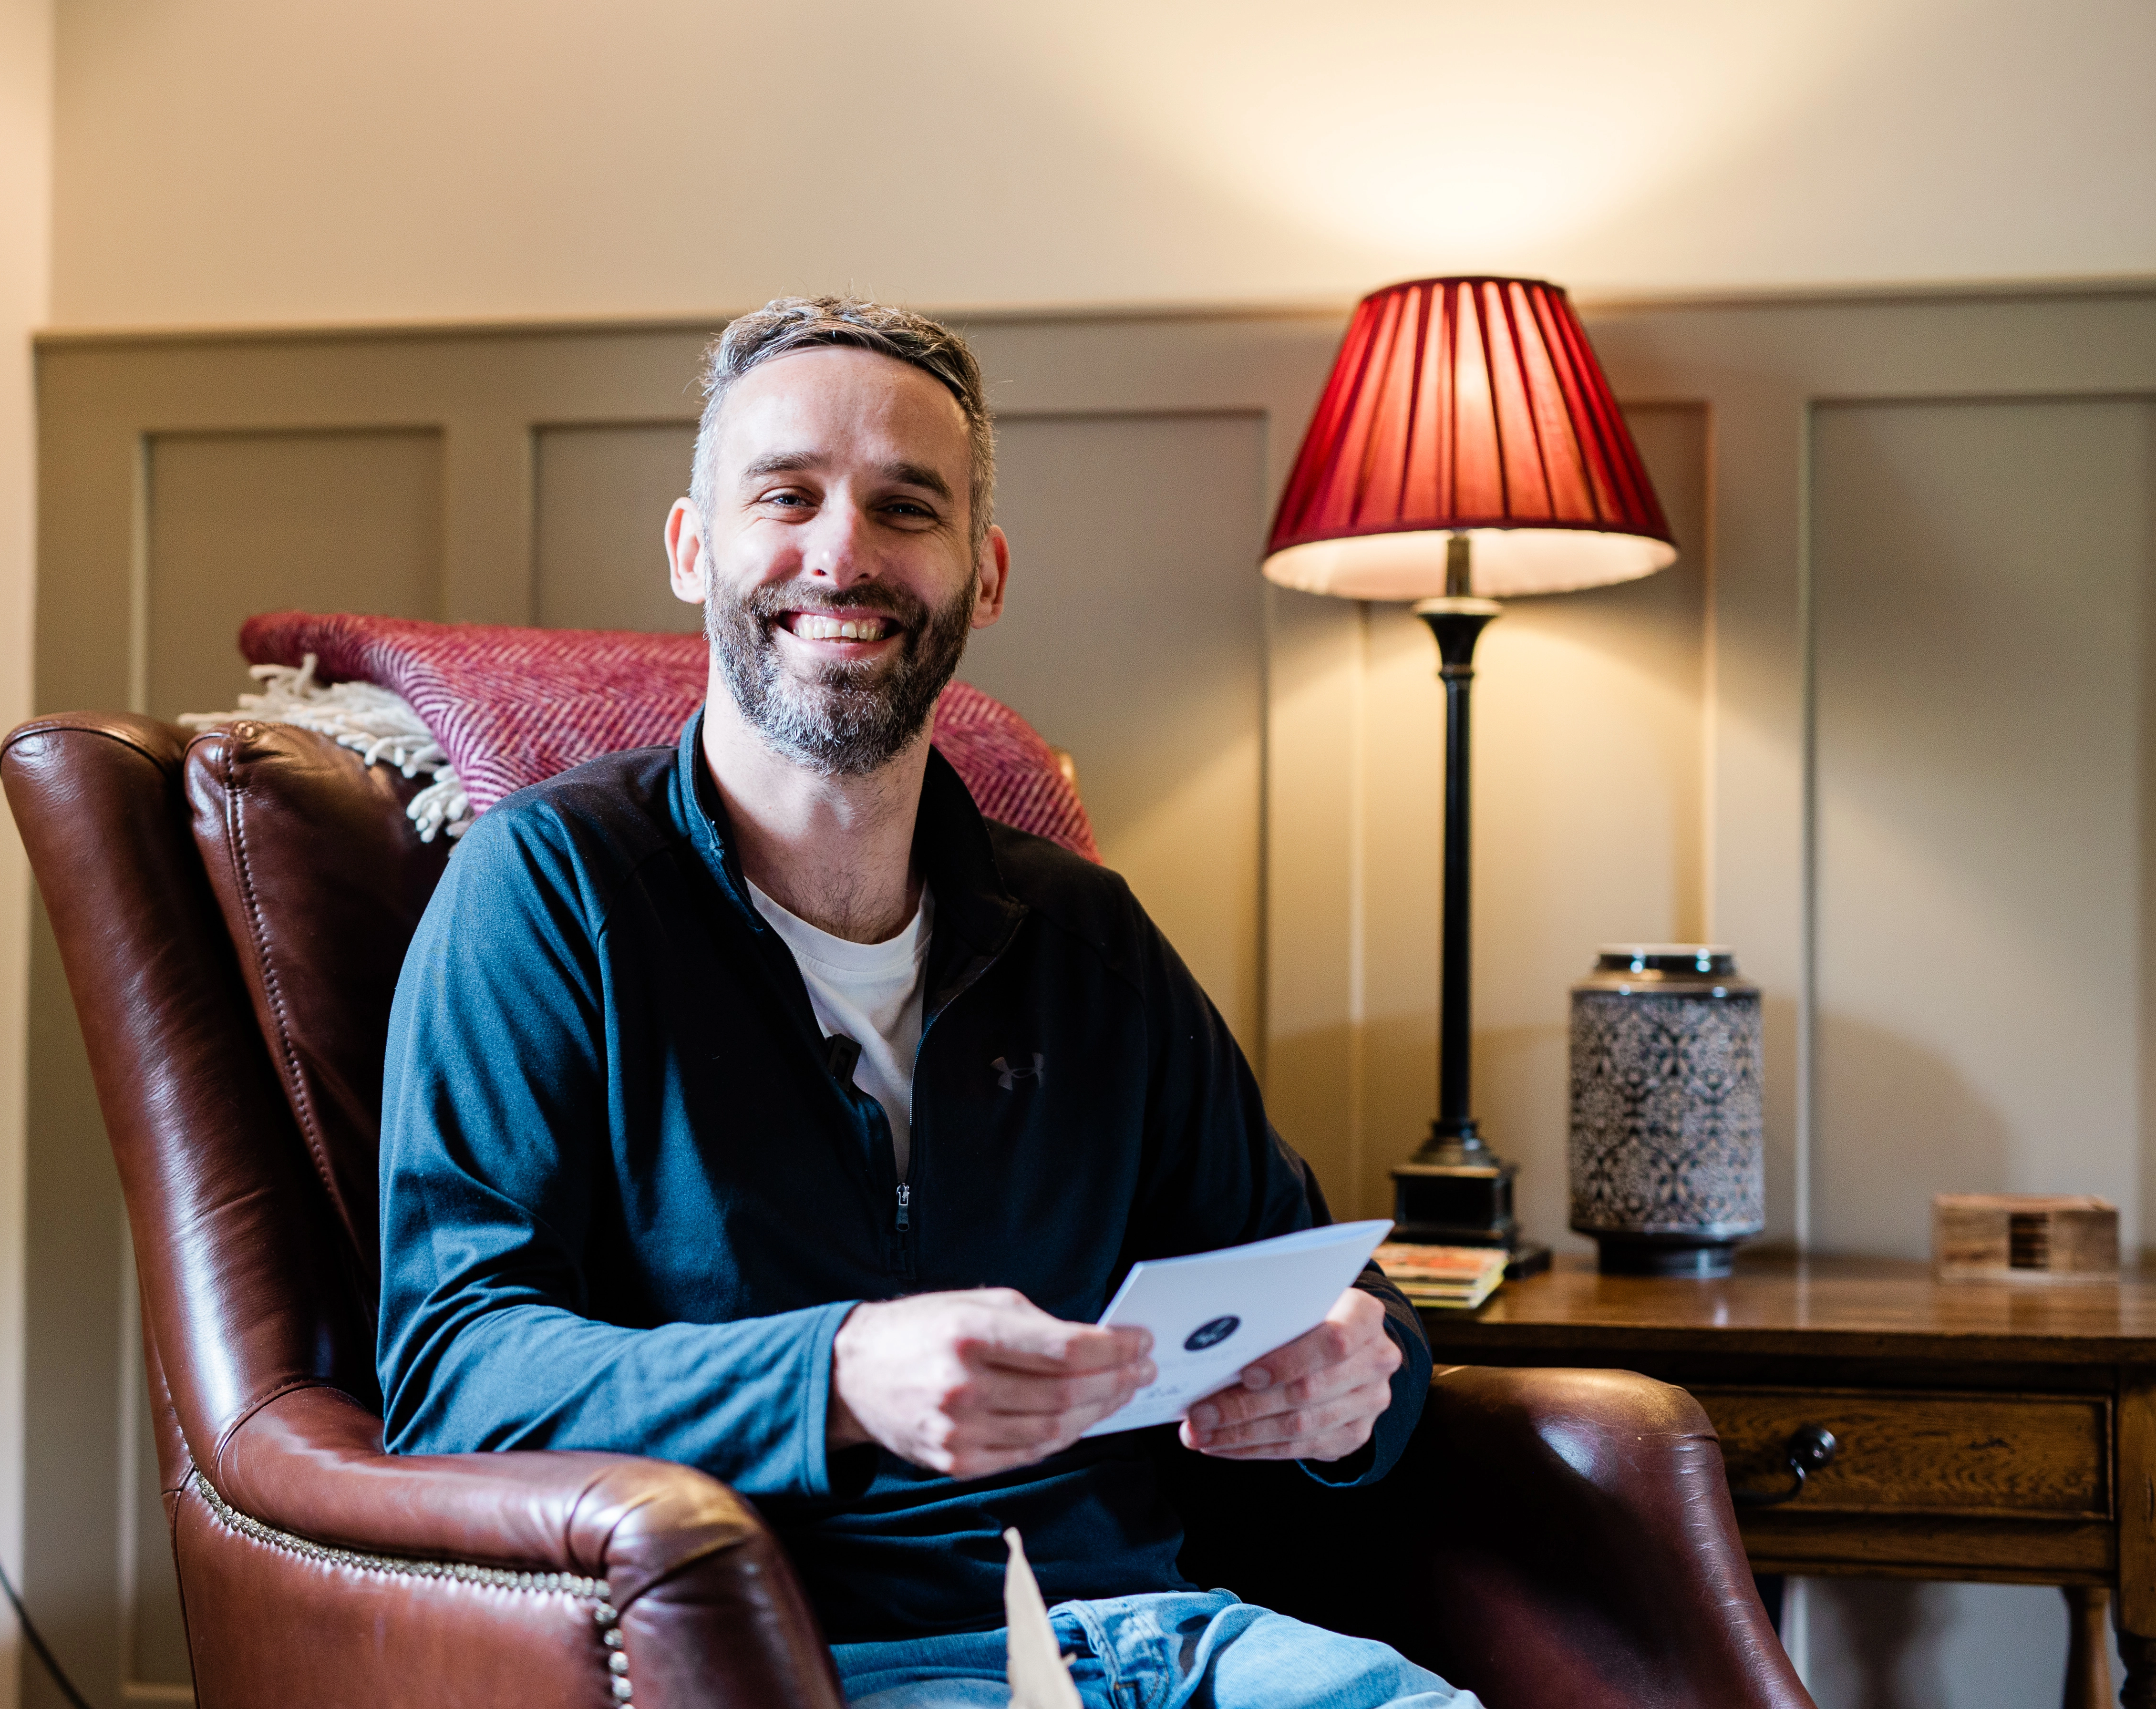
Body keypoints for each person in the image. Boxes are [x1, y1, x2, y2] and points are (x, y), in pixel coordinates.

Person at [377, 297, 1475, 1709]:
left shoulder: (1088, 935)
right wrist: (833, 1376)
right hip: (794, 1660)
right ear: (691, 548)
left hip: (1177, 1640)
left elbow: (1319, 1286)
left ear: (984, 575)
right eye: (788, 496)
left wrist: (1354, 1386)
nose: (845, 552)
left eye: (908, 509)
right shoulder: (550, 891)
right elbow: (455, 1372)